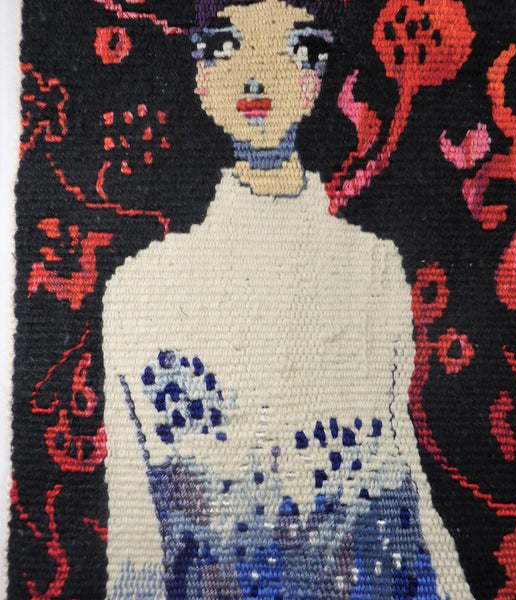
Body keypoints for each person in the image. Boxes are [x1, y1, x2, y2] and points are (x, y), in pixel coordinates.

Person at [102, 1, 474, 598]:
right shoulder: (139, 292)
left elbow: (405, 473)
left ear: (317, 77)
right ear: (199, 77)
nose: (256, 78)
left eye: (294, 48)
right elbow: (136, 543)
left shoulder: (373, 271)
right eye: (225, 46)